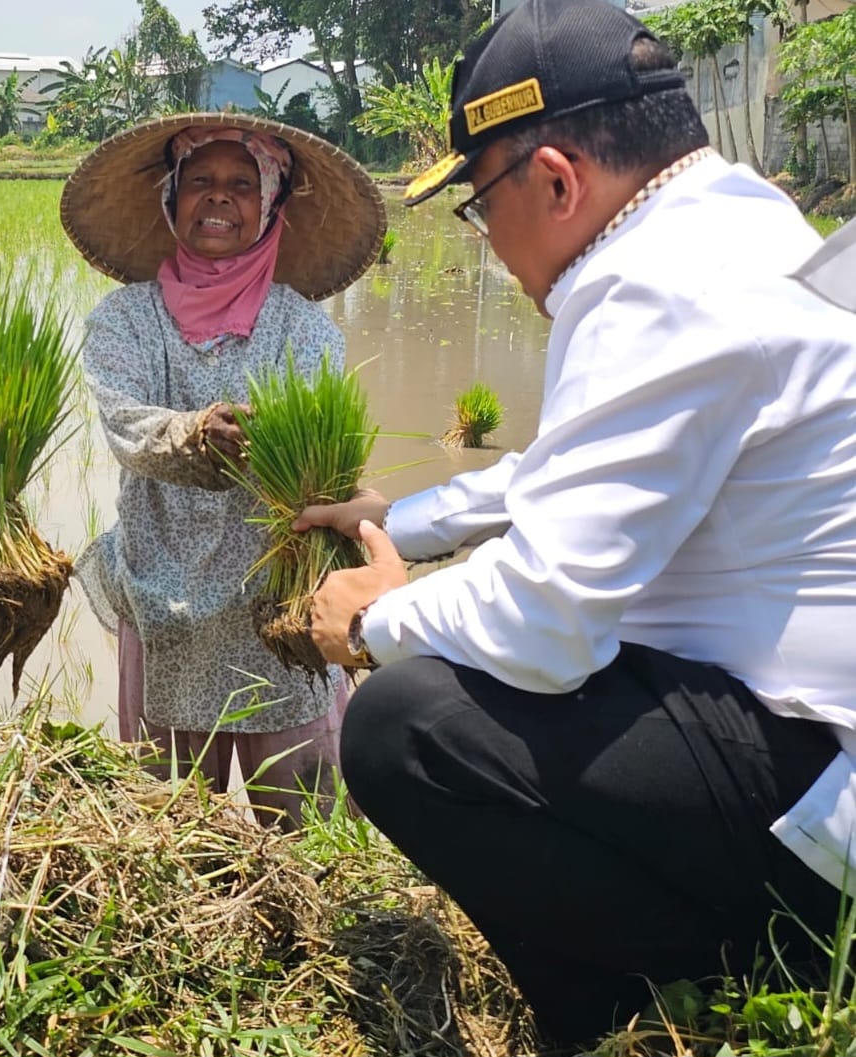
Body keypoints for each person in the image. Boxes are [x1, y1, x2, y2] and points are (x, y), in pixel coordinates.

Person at [293, 0, 856, 1046]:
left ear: (553, 178)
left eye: (478, 201)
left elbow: (546, 619)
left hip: (815, 801)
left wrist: (374, 620)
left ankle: (668, 987)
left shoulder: (653, 285)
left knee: (409, 726)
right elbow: (569, 470)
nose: (488, 239)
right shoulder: (735, 223)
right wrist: (399, 520)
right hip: (804, 743)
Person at [60, 113, 387, 830]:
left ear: (270, 205)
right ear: (170, 197)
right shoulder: (125, 319)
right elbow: (124, 425)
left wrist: (305, 461)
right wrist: (192, 432)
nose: (218, 198)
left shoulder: (302, 327)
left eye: (242, 184)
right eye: (199, 181)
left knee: (303, 824)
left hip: (276, 605)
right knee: (174, 834)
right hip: (164, 593)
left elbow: (321, 461)